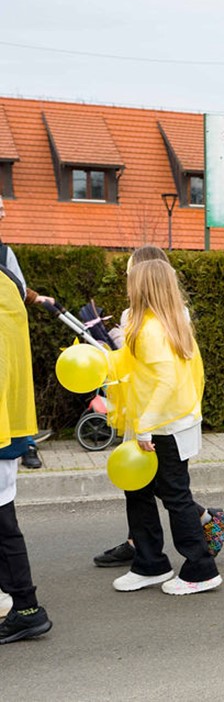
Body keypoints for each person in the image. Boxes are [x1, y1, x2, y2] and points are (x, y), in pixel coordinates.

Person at [94, 246, 224, 568]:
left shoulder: (151, 324)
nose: (127, 282)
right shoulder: (169, 317)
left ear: (143, 280)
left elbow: (165, 376)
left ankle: (196, 564)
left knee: (170, 491)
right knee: (156, 488)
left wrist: (146, 425)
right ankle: (148, 554)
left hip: (162, 420)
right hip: (164, 416)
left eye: (129, 275)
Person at [0, 264, 53, 643]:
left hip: (3, 427)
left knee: (3, 523)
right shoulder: (7, 280)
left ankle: (27, 606)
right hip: (9, 422)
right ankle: (23, 604)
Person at [0, 194, 54, 470]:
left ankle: (24, 444)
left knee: (14, 392)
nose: (4, 215)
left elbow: (17, 287)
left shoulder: (4, 252)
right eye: (0, 210)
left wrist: (38, 298)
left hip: (7, 338)